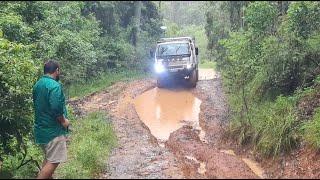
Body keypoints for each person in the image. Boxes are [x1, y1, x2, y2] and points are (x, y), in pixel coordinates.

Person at [33, 60, 70, 179]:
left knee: (49, 159)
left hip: (41, 130)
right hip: (53, 131)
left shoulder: (38, 84)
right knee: (53, 162)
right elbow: (56, 108)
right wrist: (64, 121)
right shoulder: (54, 85)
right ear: (57, 70)